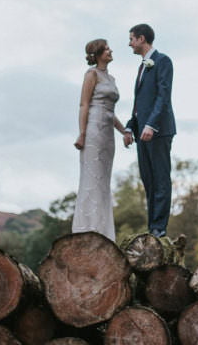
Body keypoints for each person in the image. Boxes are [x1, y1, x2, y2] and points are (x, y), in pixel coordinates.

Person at [124, 24, 176, 238]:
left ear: (142, 38)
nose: (129, 44)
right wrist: (130, 126)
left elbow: (163, 96)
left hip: (159, 130)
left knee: (161, 179)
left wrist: (151, 125)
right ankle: (151, 228)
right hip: (142, 133)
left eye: (132, 39)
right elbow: (140, 104)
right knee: (148, 180)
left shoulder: (163, 61)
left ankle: (159, 229)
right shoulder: (142, 67)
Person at [73, 39, 127, 240]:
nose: (110, 50)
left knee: (103, 182)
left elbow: (110, 112)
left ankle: (104, 233)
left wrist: (124, 131)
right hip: (93, 130)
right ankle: (87, 231)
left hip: (108, 135)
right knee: (91, 179)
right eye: (106, 49)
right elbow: (84, 105)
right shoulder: (91, 75)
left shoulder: (111, 78)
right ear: (97, 53)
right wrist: (82, 133)